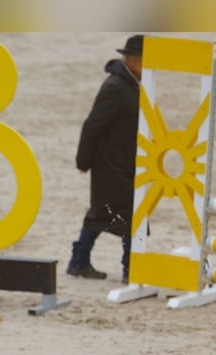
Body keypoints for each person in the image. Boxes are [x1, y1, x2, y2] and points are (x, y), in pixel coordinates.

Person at [67, 34, 143, 284]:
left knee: (105, 212)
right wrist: (83, 160)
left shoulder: (132, 83)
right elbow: (93, 125)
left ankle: (80, 260)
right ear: (132, 59)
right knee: (123, 213)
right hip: (111, 165)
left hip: (124, 162)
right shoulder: (116, 87)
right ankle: (129, 270)